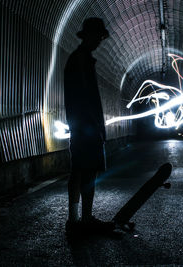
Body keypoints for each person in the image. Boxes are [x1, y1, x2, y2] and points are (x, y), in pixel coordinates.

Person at [64, 17, 111, 233]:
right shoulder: (80, 60)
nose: (100, 41)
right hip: (86, 126)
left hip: (83, 125)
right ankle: (79, 220)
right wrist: (96, 126)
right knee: (83, 171)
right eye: (98, 36)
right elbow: (86, 97)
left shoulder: (81, 59)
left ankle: (80, 219)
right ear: (89, 36)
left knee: (84, 171)